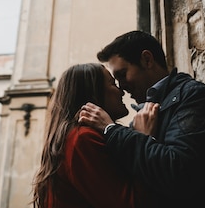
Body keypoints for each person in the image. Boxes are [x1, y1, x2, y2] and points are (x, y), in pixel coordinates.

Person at [78, 30, 205, 208]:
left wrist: (112, 130)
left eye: (122, 74)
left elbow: (179, 173)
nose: (121, 87)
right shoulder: (146, 112)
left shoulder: (192, 97)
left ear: (147, 60)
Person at [32, 62, 158, 208]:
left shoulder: (77, 137)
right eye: (113, 84)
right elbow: (129, 203)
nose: (122, 91)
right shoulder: (81, 139)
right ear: (93, 93)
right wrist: (143, 140)